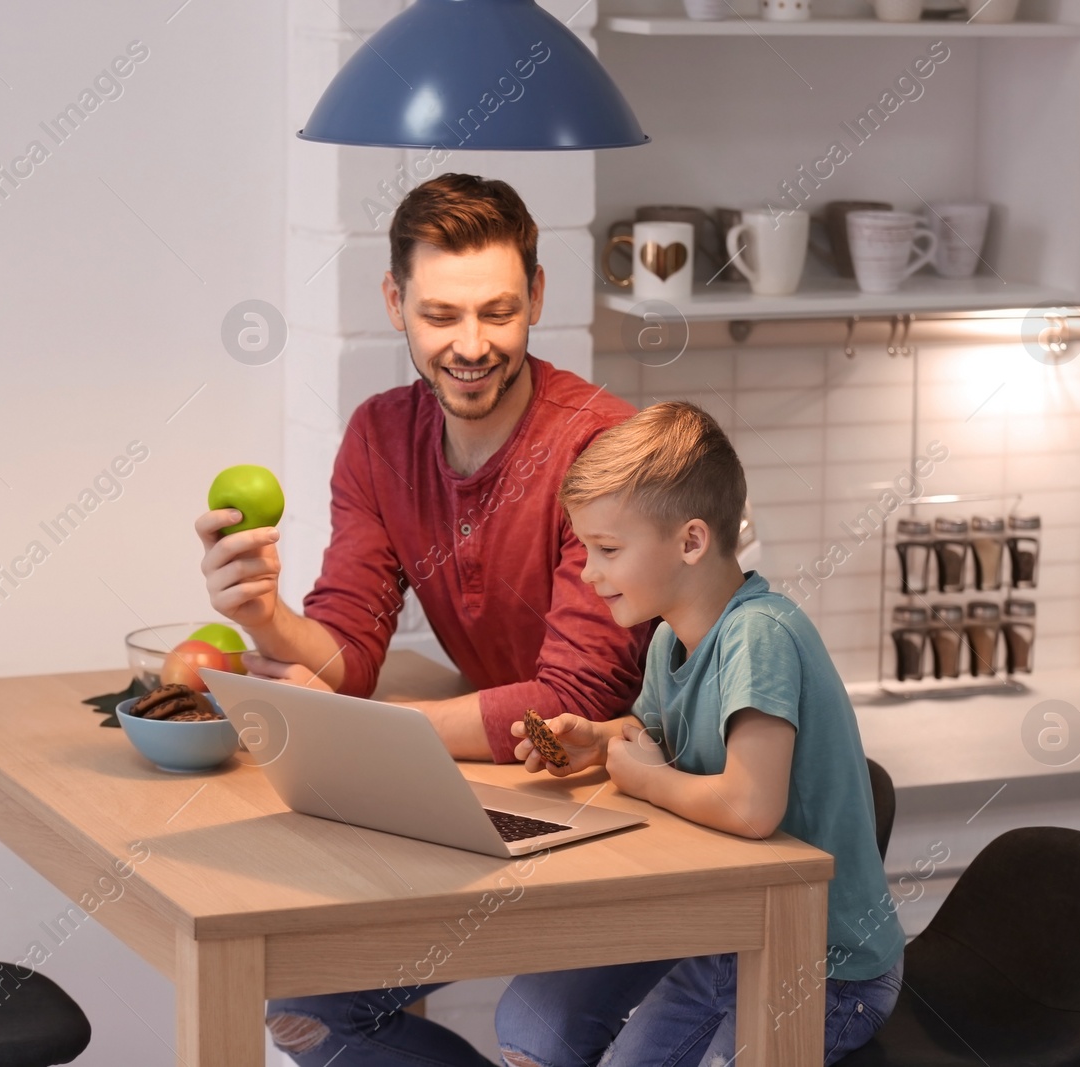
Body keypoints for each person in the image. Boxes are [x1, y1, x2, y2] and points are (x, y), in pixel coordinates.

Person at [194, 173, 657, 1065]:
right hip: (520, 791)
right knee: (303, 1003)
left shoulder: (600, 447)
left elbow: (574, 693)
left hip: (644, 794)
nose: (472, 345)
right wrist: (265, 617)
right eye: (442, 315)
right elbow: (350, 647)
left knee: (542, 1034)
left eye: (499, 311)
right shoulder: (380, 436)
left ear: (538, 297)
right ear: (395, 302)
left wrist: (381, 733)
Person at [495, 401, 905, 1067]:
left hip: (825, 967)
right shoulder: (668, 641)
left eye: (606, 550)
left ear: (690, 542)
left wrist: (647, 778)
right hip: (729, 942)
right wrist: (601, 743)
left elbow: (750, 805)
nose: (588, 575)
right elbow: (654, 737)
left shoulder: (758, 635)